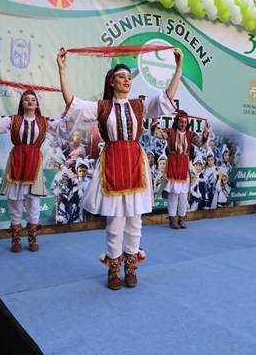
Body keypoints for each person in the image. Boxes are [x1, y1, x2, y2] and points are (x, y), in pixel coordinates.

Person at [57, 47, 183, 290]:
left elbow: (167, 99)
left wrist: (178, 68)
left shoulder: (139, 105)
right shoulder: (103, 107)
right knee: (115, 221)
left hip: (135, 163)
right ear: (111, 82)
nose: (127, 80)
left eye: (128, 77)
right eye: (121, 76)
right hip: (113, 164)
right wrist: (62, 71)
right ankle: (113, 269)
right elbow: (73, 104)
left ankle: (131, 267)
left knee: (135, 220)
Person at [0, 90, 63, 252]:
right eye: (26, 99)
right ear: (22, 103)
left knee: (34, 202)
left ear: (37, 104)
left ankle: (32, 238)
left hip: (34, 163)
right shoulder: (13, 120)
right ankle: (16, 239)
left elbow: (64, 126)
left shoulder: (44, 121)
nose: (30, 102)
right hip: (17, 162)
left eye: (33, 99)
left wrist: (70, 106)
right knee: (15, 202)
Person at [152, 112, 210, 229]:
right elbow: (156, 133)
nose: (183, 124)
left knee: (183, 196)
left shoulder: (191, 134)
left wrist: (206, 131)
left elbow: (201, 144)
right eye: (180, 122)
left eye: (185, 122)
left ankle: (182, 219)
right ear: (176, 122)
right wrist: (154, 121)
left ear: (187, 123)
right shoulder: (170, 132)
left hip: (184, 167)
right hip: (173, 166)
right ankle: (172, 219)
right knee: (173, 195)